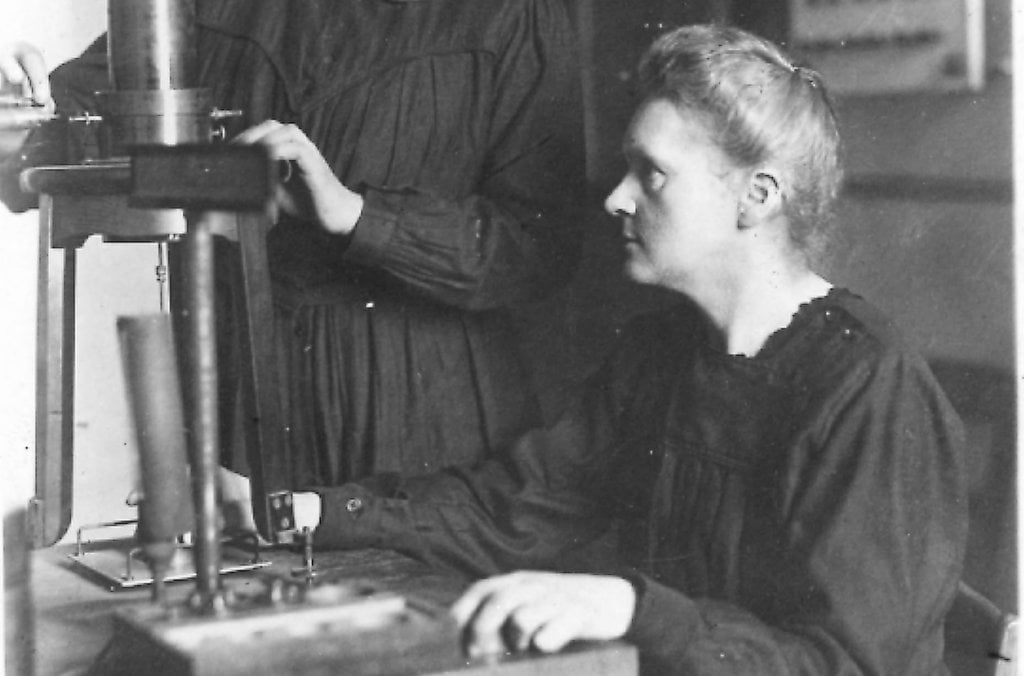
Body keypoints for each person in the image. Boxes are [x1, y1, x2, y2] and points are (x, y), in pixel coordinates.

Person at [273, 24, 968, 674]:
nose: (615, 198)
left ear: (756, 197)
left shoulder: (866, 382)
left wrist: (631, 607)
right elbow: (514, 510)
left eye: (651, 173)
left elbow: (843, 665)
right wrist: (309, 512)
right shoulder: (658, 353)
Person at [0, 0, 586, 487]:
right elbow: (73, 128)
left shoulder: (510, 15)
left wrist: (359, 215)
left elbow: (538, 244)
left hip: (423, 413)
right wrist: (20, 122)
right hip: (244, 403)